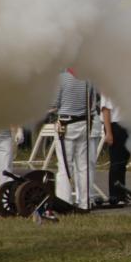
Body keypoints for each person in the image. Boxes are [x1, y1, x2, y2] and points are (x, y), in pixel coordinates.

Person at [50, 69, 97, 210]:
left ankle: (65, 202)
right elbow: (93, 105)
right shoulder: (89, 79)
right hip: (84, 124)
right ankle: (85, 202)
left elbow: (54, 104)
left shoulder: (61, 78)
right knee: (83, 167)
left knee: (65, 166)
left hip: (65, 124)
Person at [101, 96, 131, 205]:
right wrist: (109, 132)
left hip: (127, 124)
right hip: (115, 125)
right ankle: (115, 195)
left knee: (123, 162)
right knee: (116, 162)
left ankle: (122, 193)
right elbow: (105, 110)